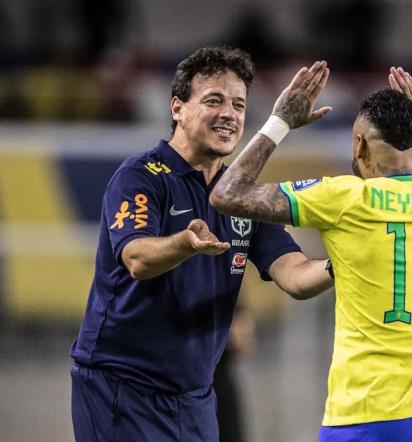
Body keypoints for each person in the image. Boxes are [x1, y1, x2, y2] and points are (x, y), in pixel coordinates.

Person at [210, 61, 412, 441]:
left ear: (358, 144)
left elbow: (228, 194)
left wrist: (280, 122)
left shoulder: (345, 197)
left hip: (367, 408)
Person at [69, 47, 333, 442]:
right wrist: (186, 243)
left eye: (239, 105)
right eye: (214, 100)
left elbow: (294, 276)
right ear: (178, 108)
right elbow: (137, 258)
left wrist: (344, 264)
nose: (230, 114)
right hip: (121, 387)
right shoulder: (141, 176)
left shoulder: (242, 199)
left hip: (195, 397)